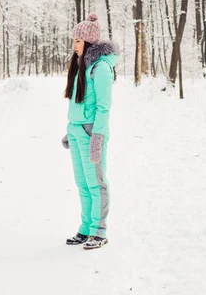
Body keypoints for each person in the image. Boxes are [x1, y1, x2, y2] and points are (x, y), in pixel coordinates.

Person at [62, 13, 119, 250]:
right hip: (76, 130)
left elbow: (103, 107)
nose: (74, 45)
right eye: (74, 40)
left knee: (96, 183)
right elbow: (77, 102)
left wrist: (97, 136)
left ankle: (99, 230)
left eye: (78, 40)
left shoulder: (101, 68)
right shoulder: (80, 65)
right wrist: (71, 128)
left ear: (88, 42)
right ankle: (86, 229)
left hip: (91, 133)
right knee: (82, 183)